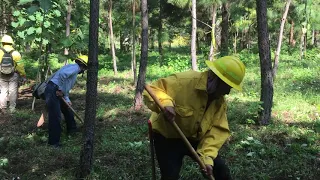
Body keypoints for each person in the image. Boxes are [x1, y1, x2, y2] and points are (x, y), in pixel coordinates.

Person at [143, 56, 246, 180]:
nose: (228, 92)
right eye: (227, 86)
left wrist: (207, 159)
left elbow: (216, 132)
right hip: (167, 136)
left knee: (220, 170)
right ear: (216, 79)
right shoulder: (184, 81)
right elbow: (153, 89)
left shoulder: (219, 103)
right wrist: (166, 104)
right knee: (170, 176)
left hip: (195, 137)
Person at [44, 55, 88, 148]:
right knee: (55, 117)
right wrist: (59, 89)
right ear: (83, 66)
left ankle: (72, 130)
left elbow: (66, 86)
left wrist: (67, 99)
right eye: (85, 69)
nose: (84, 71)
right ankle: (53, 143)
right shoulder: (75, 68)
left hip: (57, 90)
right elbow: (62, 75)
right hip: (53, 90)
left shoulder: (73, 70)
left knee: (67, 110)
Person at [0, 34, 26, 114]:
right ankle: (12, 109)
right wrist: (23, 74)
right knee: (13, 91)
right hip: (13, 74)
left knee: (3, 91)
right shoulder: (16, 53)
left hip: (1, 74)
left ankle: (3, 108)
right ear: (11, 43)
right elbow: (20, 66)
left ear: (3, 43)